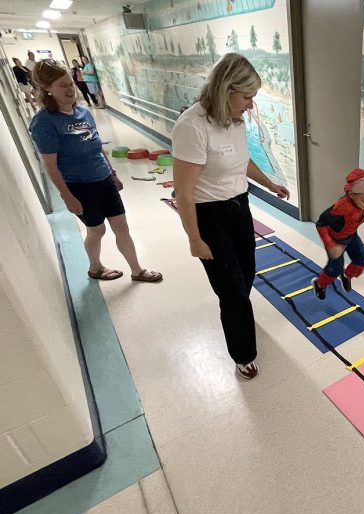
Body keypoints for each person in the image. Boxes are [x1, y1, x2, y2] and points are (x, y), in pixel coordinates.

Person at [172, 53, 289, 380]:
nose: (250, 105)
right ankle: (243, 353)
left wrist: (271, 184)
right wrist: (194, 239)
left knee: (247, 274)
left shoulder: (233, 119)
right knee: (232, 290)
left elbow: (243, 162)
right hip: (209, 215)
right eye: (247, 97)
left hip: (238, 206)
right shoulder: (192, 126)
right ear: (226, 90)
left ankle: (240, 317)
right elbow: (183, 192)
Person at [29, 60, 162, 284]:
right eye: (62, 85)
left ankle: (138, 270)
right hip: (79, 186)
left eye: (70, 83)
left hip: (103, 180)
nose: (70, 89)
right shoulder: (44, 123)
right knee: (97, 230)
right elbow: (50, 165)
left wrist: (112, 174)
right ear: (47, 89)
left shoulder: (83, 113)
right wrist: (67, 196)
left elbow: (98, 146)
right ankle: (95, 267)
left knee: (122, 226)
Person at [312, 169, 364, 300]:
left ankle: (346, 276)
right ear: (351, 194)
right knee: (335, 269)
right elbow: (320, 224)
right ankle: (319, 284)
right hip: (336, 239)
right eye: (363, 200)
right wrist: (330, 245)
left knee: (363, 258)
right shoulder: (340, 209)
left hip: (351, 236)